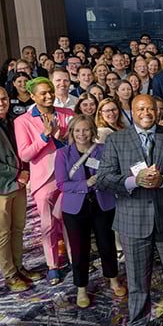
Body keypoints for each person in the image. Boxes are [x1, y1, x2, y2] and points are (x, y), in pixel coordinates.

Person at [97, 94, 163, 326]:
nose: (146, 112)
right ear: (132, 111)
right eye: (140, 109)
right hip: (132, 220)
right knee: (138, 277)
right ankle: (138, 324)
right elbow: (104, 177)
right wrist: (133, 181)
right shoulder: (117, 139)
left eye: (150, 108)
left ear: (157, 111)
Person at [55, 115, 124, 308]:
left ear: (93, 132)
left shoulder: (103, 150)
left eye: (85, 130)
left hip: (102, 203)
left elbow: (112, 173)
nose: (81, 134)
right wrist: (85, 184)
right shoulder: (63, 154)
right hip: (75, 208)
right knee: (79, 249)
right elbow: (62, 184)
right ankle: (81, 287)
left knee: (106, 244)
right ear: (71, 132)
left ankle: (113, 279)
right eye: (77, 130)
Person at [14, 77, 75, 284]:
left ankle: (74, 259)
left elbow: (79, 144)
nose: (49, 96)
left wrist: (63, 139)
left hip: (68, 176)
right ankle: (53, 265)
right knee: (48, 224)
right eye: (43, 93)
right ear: (32, 97)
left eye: (50, 91)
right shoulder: (22, 121)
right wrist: (44, 136)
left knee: (69, 220)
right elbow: (24, 155)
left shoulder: (68, 114)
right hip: (44, 179)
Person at [0, 86, 39, 291]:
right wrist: (16, 173)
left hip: (18, 184)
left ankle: (18, 267)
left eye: (4, 99)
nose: (1, 103)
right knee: (2, 233)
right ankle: (8, 275)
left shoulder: (13, 121)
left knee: (18, 229)